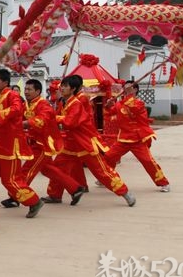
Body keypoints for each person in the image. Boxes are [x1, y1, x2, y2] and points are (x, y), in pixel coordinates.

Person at [52, 74, 135, 206]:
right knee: (57, 167)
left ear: (73, 88)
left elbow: (69, 122)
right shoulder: (66, 102)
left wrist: (53, 118)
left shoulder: (79, 101)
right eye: (61, 86)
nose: (61, 88)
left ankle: (124, 192)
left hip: (85, 141)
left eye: (65, 86)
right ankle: (55, 194)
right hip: (71, 142)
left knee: (101, 171)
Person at [0, 69, 45, 218]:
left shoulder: (13, 95)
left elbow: (16, 109)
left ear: (5, 82)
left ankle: (34, 201)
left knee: (10, 180)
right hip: (0, 143)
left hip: (11, 145)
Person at [20, 79, 84, 206]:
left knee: (27, 171)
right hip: (34, 142)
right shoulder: (27, 104)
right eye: (25, 89)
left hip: (42, 144)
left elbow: (43, 120)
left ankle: (17, 195)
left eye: (29, 89)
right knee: (48, 169)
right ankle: (75, 188)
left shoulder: (43, 104)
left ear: (38, 91)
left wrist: (25, 123)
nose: (26, 92)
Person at [104, 81, 170, 192]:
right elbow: (109, 113)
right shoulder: (119, 104)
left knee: (148, 161)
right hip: (123, 139)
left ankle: (163, 183)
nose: (126, 89)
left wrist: (126, 98)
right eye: (124, 87)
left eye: (129, 87)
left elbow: (135, 110)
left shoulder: (139, 103)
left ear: (135, 90)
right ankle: (108, 177)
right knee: (108, 157)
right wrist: (108, 105)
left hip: (137, 139)